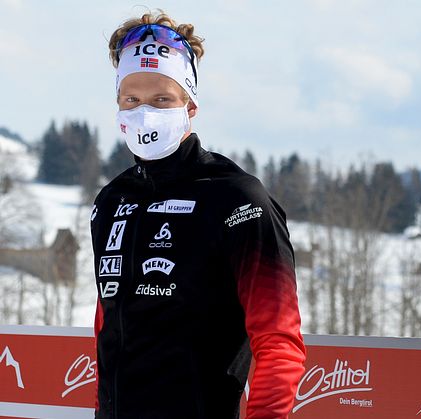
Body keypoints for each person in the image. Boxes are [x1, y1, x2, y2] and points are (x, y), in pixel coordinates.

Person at [91, 11, 306, 419]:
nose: (144, 113)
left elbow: (278, 340)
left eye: (161, 99)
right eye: (131, 100)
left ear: (190, 105)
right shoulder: (110, 201)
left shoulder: (237, 198)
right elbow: (107, 326)